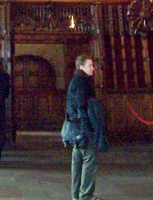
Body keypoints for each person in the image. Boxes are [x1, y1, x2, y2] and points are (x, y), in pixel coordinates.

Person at [66, 54, 99, 200]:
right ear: (81, 67)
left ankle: (76, 195)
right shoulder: (82, 82)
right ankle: (85, 195)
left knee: (77, 161)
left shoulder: (76, 80)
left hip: (76, 126)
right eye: (90, 65)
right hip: (82, 127)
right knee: (89, 160)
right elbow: (81, 107)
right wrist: (86, 129)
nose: (93, 68)